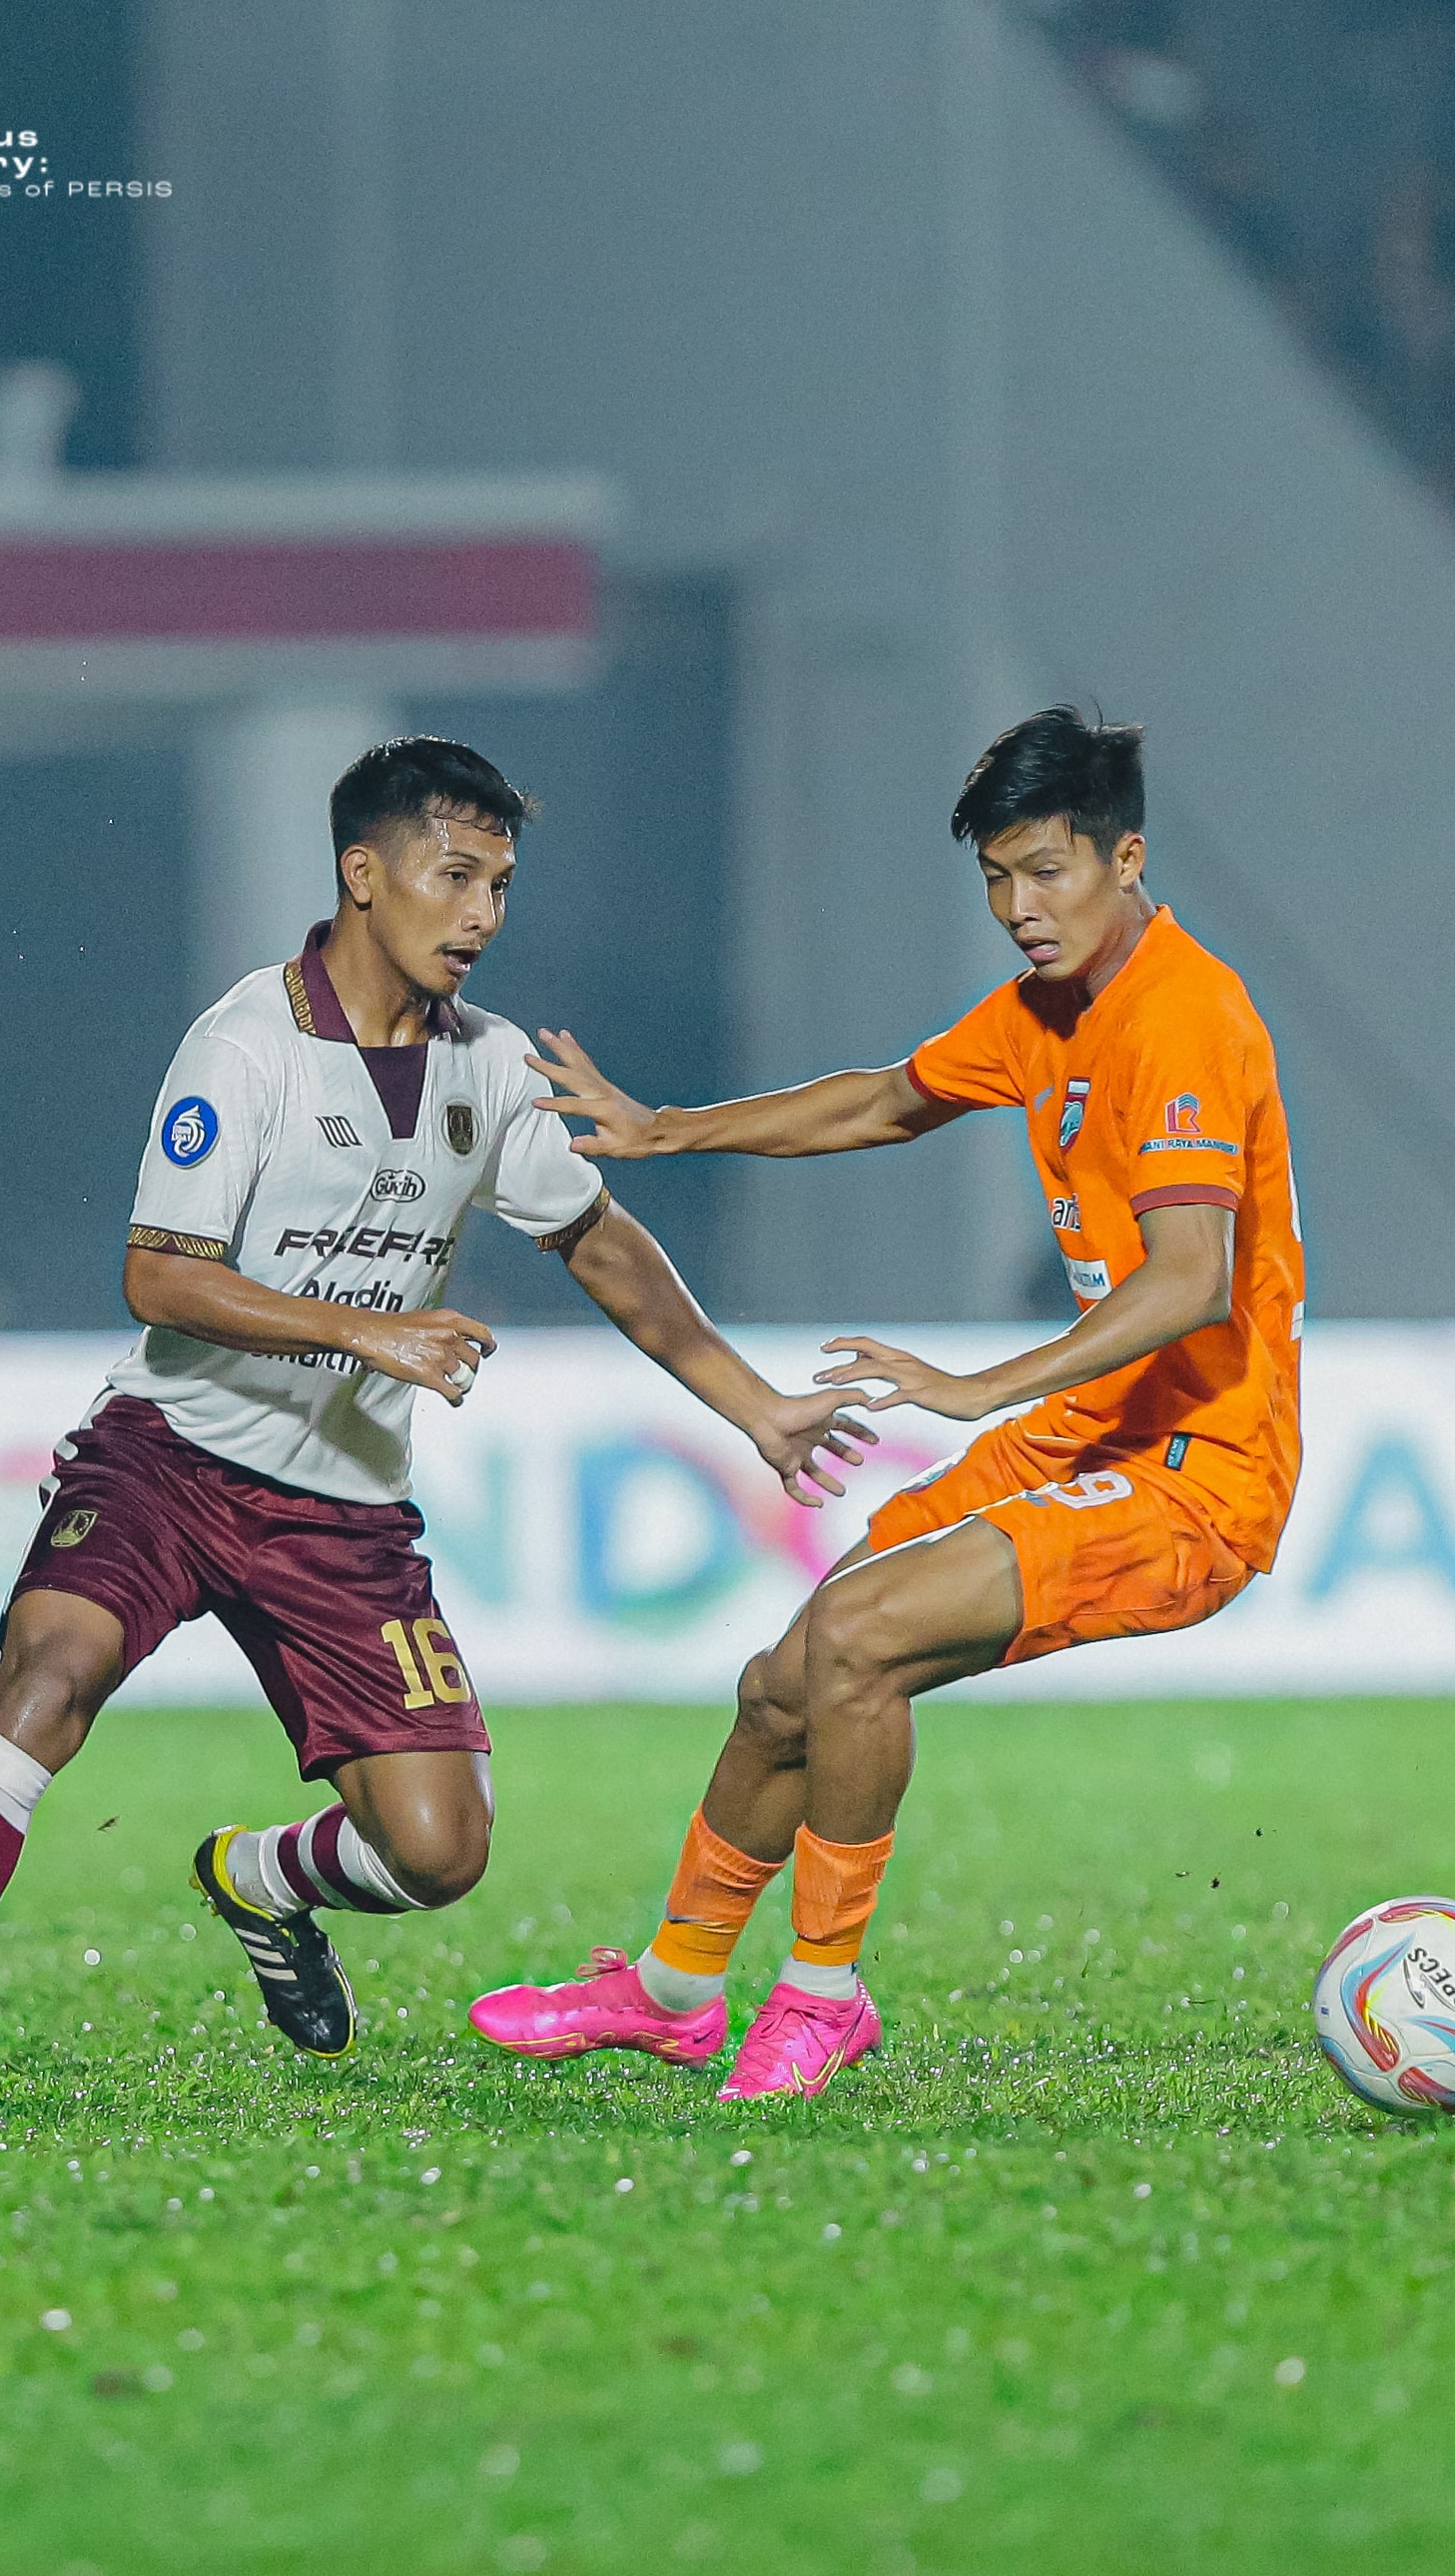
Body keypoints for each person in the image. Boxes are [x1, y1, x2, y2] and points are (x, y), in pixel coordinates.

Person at [0, 737, 870, 2094]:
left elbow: (604, 1243)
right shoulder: (243, 1045)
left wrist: (757, 1406)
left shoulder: (491, 1070)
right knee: (48, 1669)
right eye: (458, 877)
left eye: (501, 884)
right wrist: (364, 1328)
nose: (485, 915)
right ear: (363, 875)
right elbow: (159, 1274)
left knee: (441, 1852)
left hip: (343, 1508)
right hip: (172, 1458)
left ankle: (256, 1878)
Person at [469, 704, 1303, 2101]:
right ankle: (675, 1991)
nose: (1019, 909)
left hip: (1194, 1470)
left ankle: (822, 1995)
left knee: (857, 1640)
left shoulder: (1185, 1018)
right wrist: (672, 1128)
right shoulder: (1051, 1007)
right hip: (1086, 1434)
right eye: (996, 878)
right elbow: (885, 1100)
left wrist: (975, 1384)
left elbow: (1190, 1285)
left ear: (1127, 857)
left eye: (1047, 872)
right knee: (787, 1679)